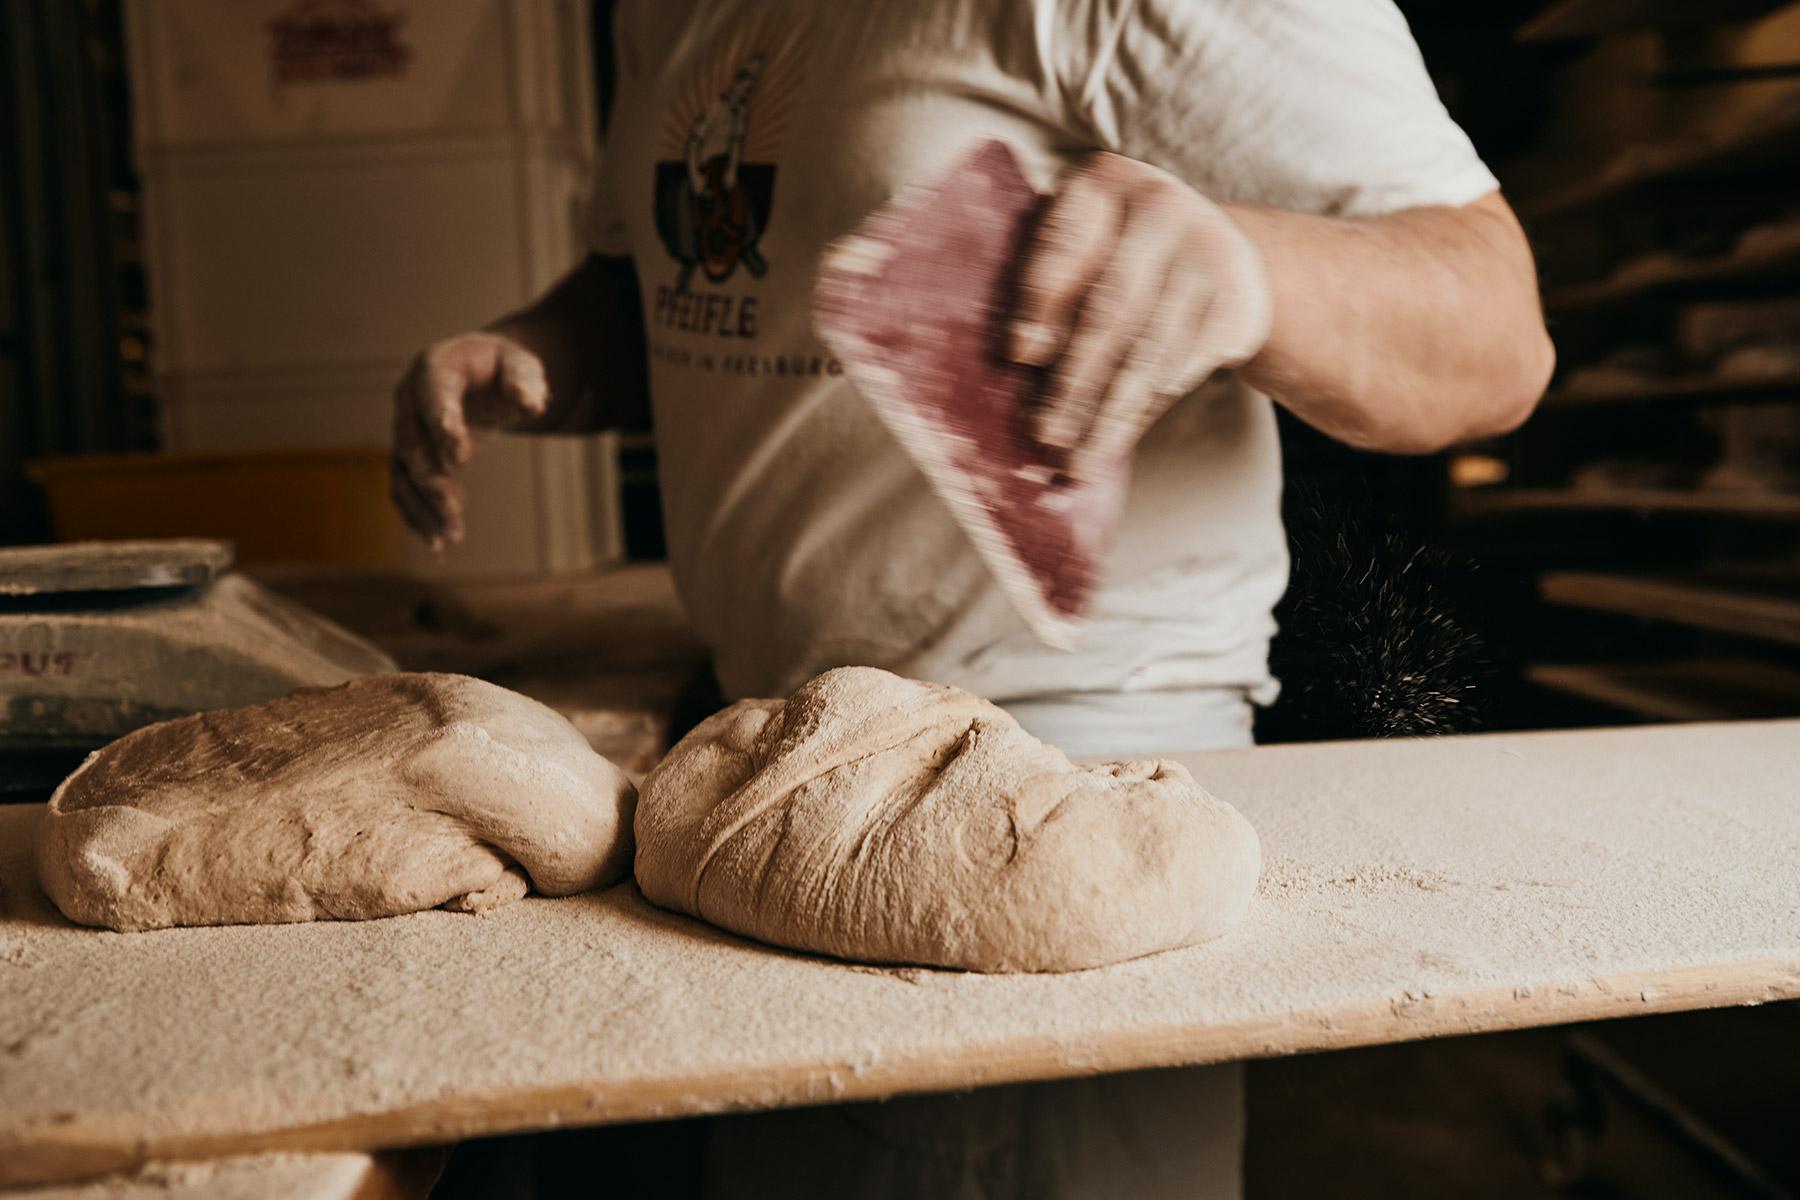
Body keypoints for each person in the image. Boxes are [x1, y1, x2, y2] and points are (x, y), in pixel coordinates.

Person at [392, 0, 1551, 1193]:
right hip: (778, 764)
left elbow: (1498, 332)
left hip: (1068, 771)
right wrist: (541, 353)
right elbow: (695, 277)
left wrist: (1252, 273)